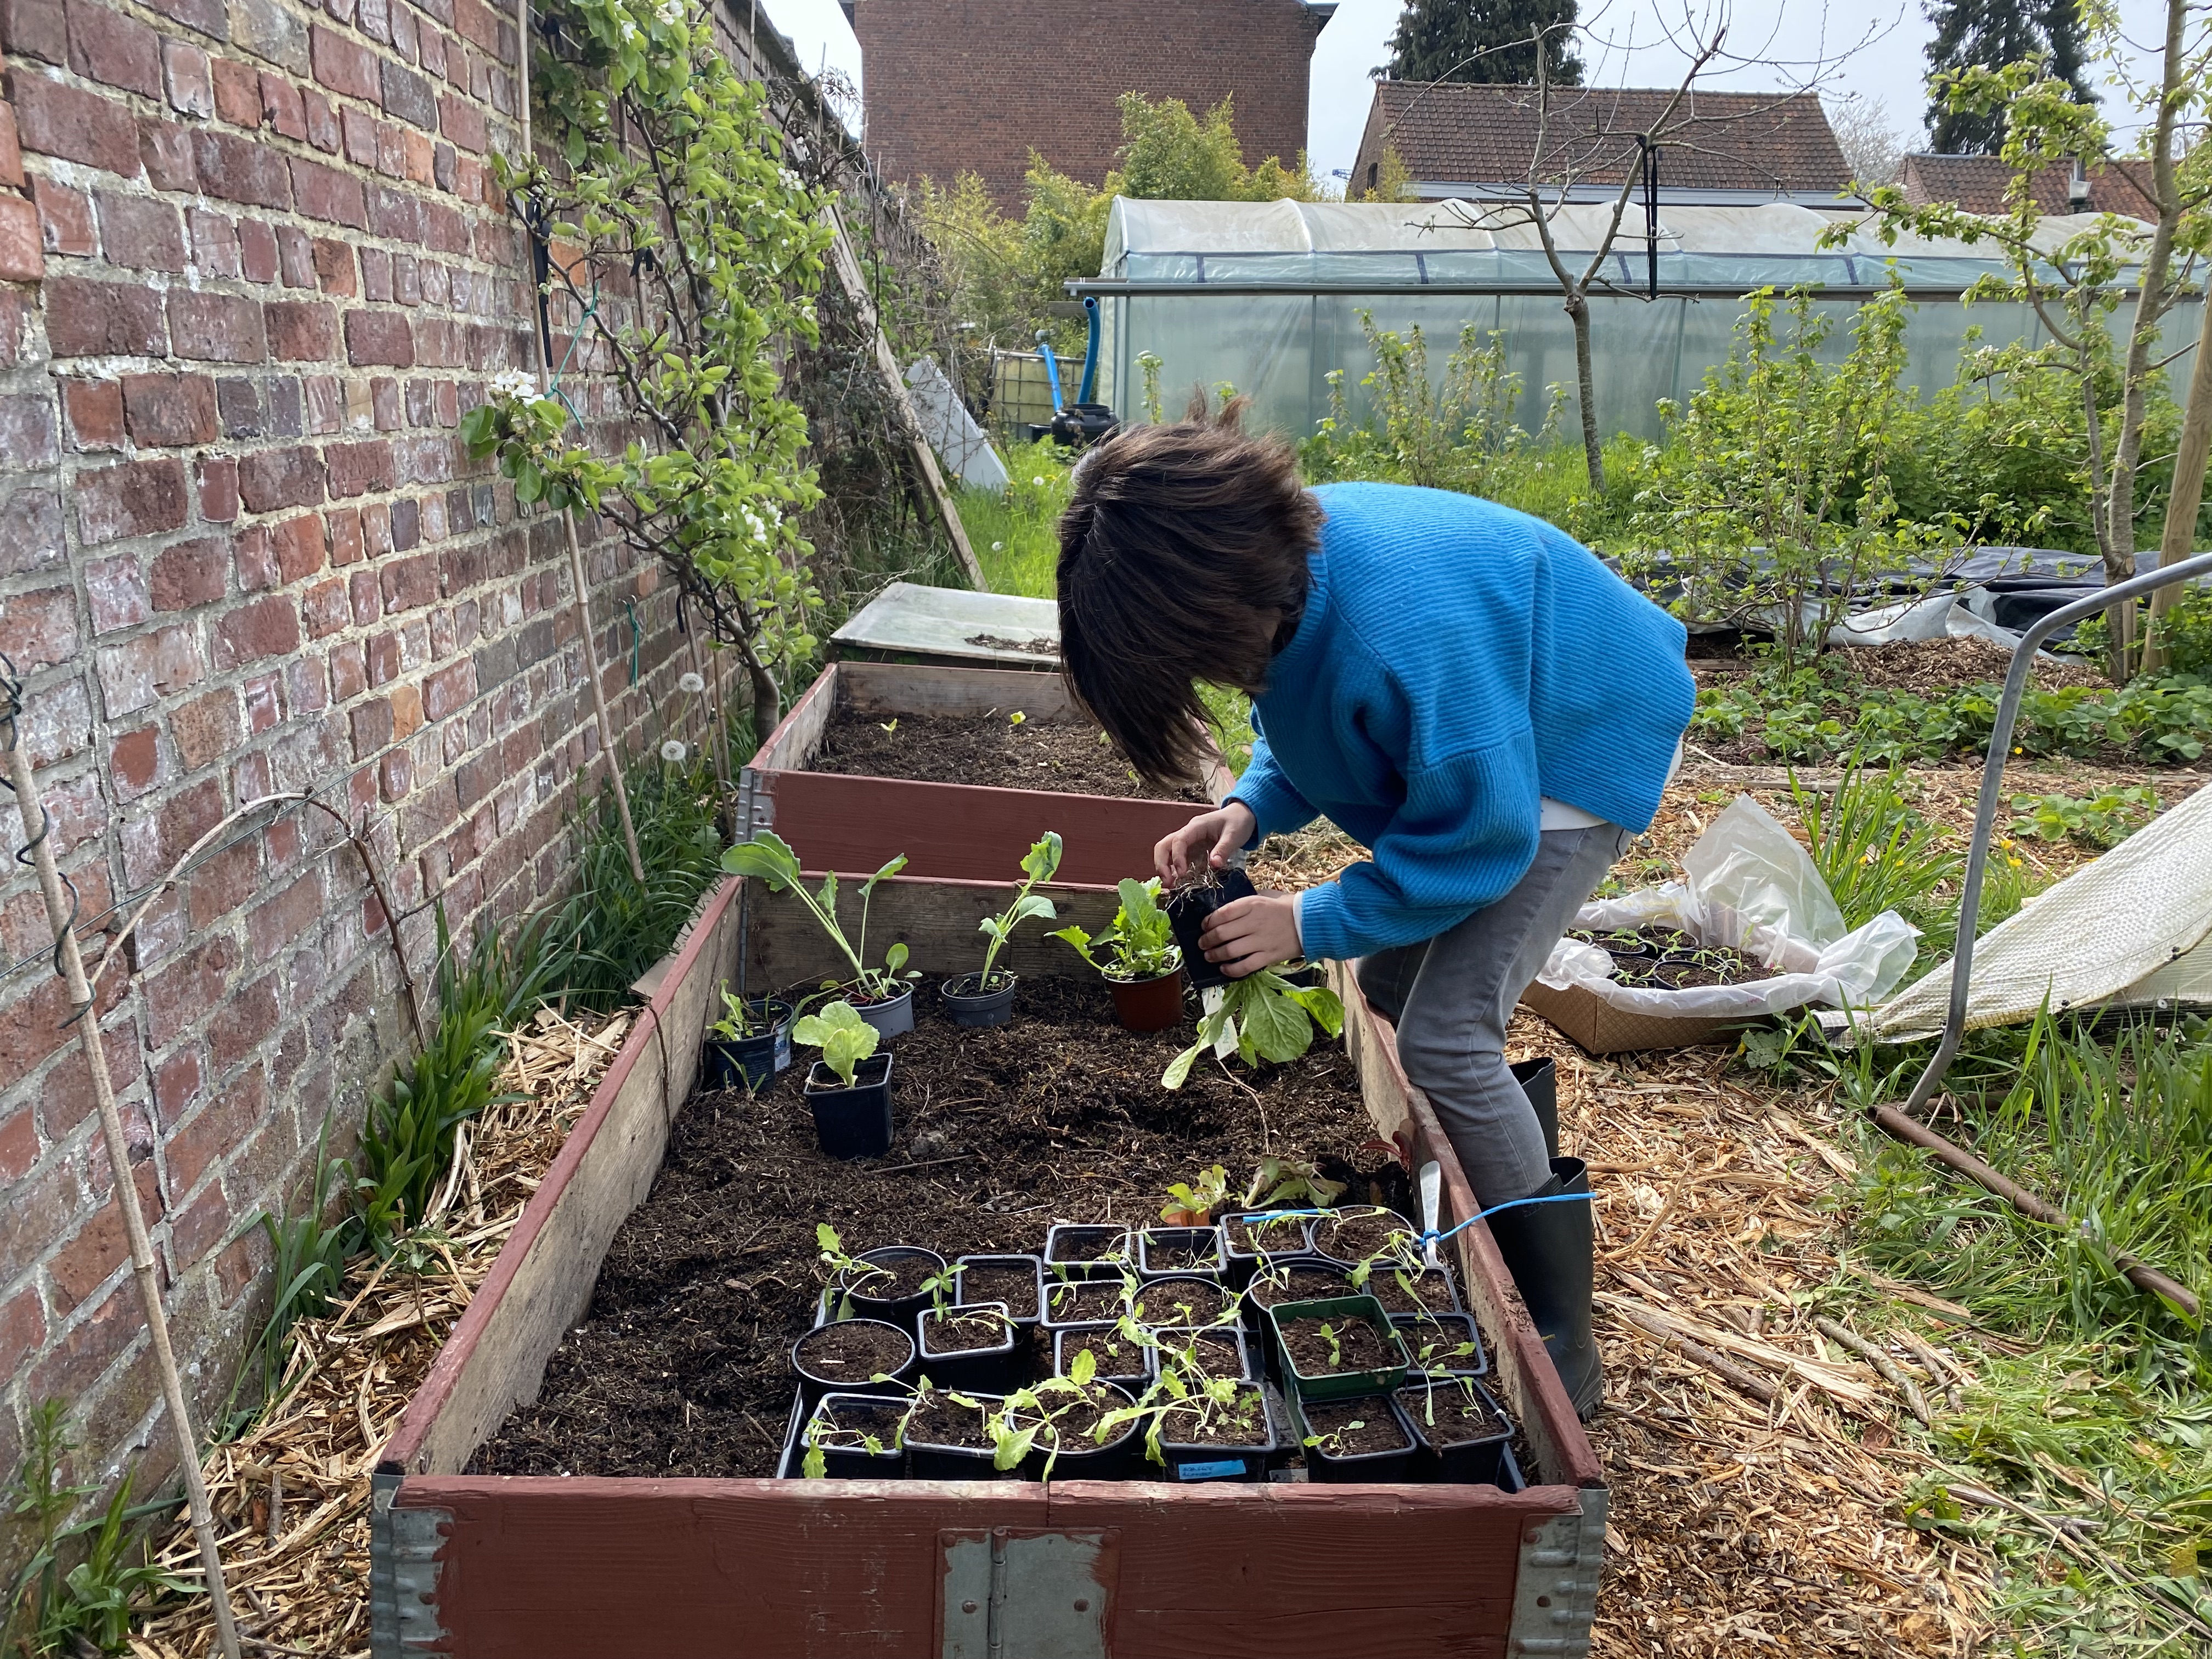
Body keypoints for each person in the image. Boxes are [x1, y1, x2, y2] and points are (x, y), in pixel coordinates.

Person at [1054, 400, 1693, 1416]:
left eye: (1208, 662)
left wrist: (1303, 922)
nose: (1220, 681)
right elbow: (1301, 717)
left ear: (1232, 596)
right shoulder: (1283, 577)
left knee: (1446, 1038)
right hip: (1500, 734)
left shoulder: (1402, 630)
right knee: (1394, 985)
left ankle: (1551, 1324)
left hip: (1569, 749)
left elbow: (1480, 836)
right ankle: (1477, 1175)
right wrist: (1246, 809)